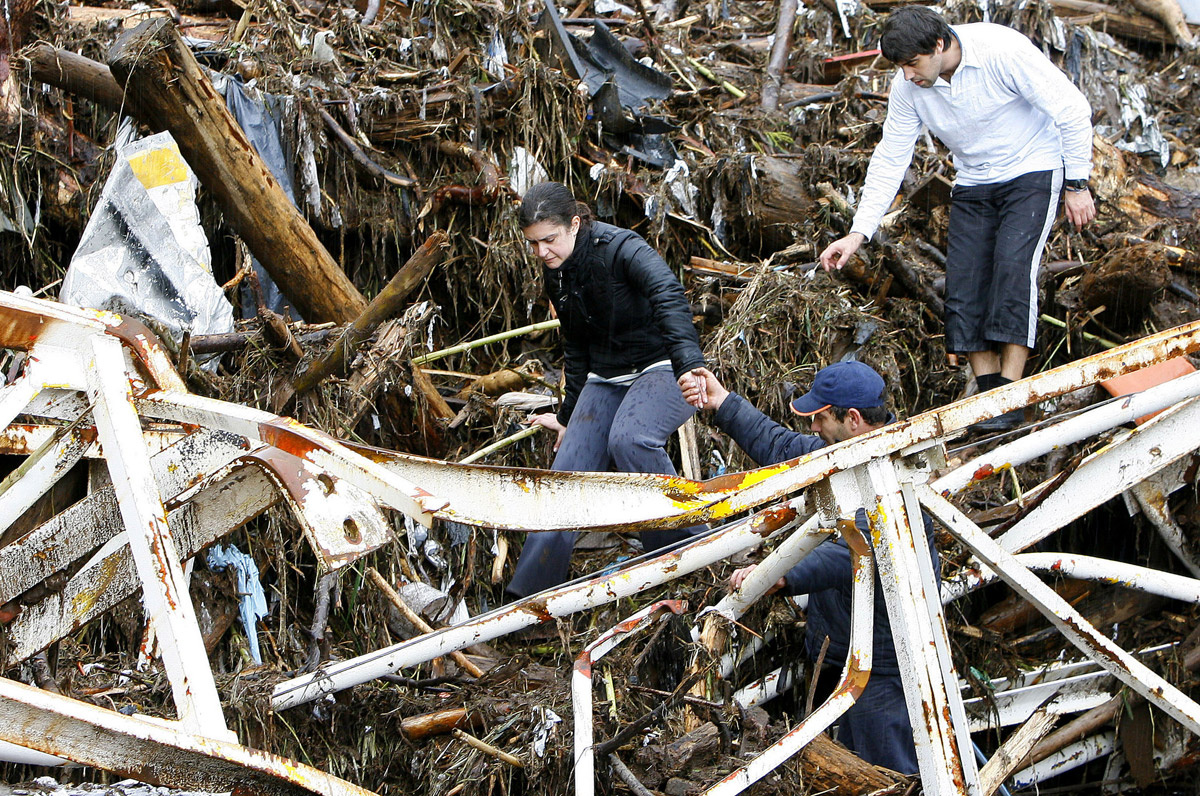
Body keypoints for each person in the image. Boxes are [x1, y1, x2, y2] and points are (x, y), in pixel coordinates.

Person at [818, 7, 1097, 432]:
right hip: (974, 177)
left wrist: (1077, 184)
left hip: (1033, 166)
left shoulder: (1000, 50)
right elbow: (892, 155)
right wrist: (859, 233)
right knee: (964, 287)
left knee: (1011, 271)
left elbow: (1072, 109)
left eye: (913, 64)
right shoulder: (909, 84)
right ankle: (988, 399)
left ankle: (1010, 394)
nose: (908, 75)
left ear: (941, 44)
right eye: (900, 67)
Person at [679, 361, 936, 774]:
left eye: (820, 417)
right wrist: (722, 402)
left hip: (886, 666)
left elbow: (856, 549)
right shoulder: (840, 451)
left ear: (851, 420)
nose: (813, 426)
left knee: (889, 774)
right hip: (843, 651)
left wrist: (781, 571)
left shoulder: (896, 476)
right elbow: (781, 448)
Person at [505, 181, 707, 600]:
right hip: (606, 375)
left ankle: (691, 552)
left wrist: (690, 365)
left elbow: (667, 293)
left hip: (662, 365)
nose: (542, 252)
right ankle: (530, 598)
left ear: (575, 224)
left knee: (629, 438)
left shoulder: (620, 248)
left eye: (549, 240)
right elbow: (576, 346)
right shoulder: (555, 274)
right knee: (564, 473)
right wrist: (566, 417)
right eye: (533, 244)